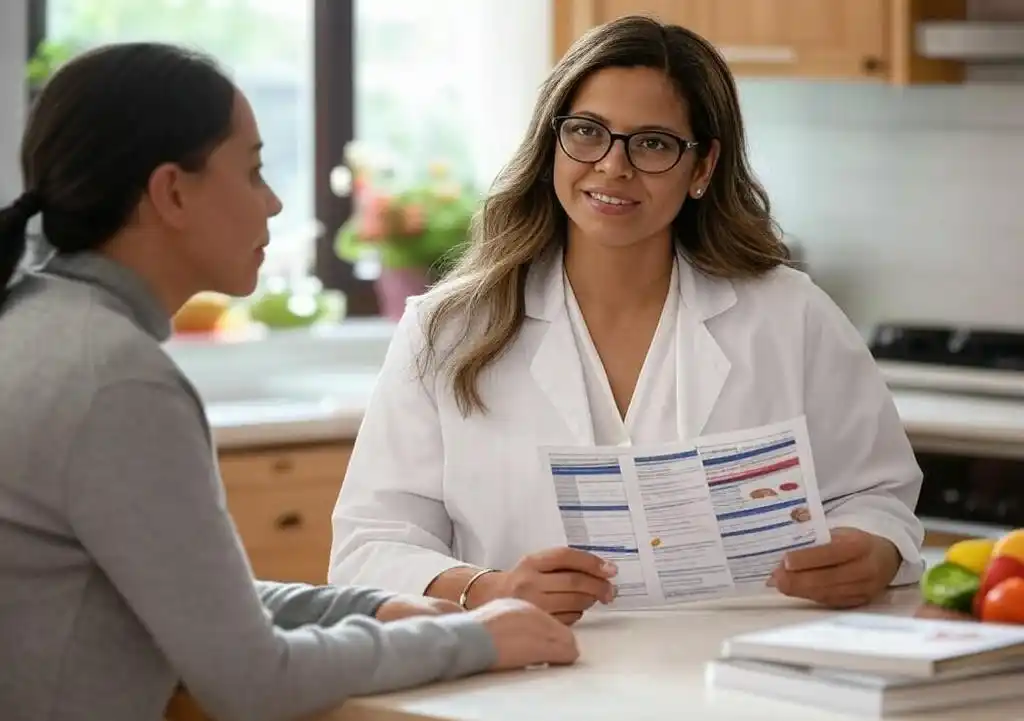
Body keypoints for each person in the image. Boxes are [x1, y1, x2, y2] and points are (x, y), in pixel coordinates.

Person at [0, 42, 578, 721]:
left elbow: (201, 604)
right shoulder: (118, 383)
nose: (273, 202)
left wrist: (371, 609)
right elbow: (253, 680)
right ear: (172, 192)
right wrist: (477, 639)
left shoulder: (36, 324)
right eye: (253, 171)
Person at [328, 14, 925, 624]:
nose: (614, 166)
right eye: (588, 132)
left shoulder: (790, 315)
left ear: (702, 167)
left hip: (739, 667)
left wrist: (874, 549)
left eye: (653, 143)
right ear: (551, 145)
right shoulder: (447, 330)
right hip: (525, 670)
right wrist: (489, 589)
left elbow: (877, 496)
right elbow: (369, 544)